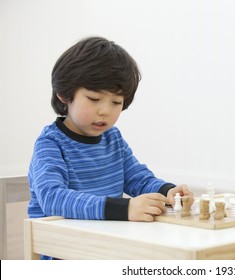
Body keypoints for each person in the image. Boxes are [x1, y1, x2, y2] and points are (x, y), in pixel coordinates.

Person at [28, 36, 193, 259]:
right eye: (94, 99)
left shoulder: (112, 138)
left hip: (107, 249)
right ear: (64, 95)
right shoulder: (50, 143)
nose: (105, 111)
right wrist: (124, 209)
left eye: (116, 102)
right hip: (67, 254)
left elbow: (138, 179)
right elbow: (53, 198)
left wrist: (167, 191)